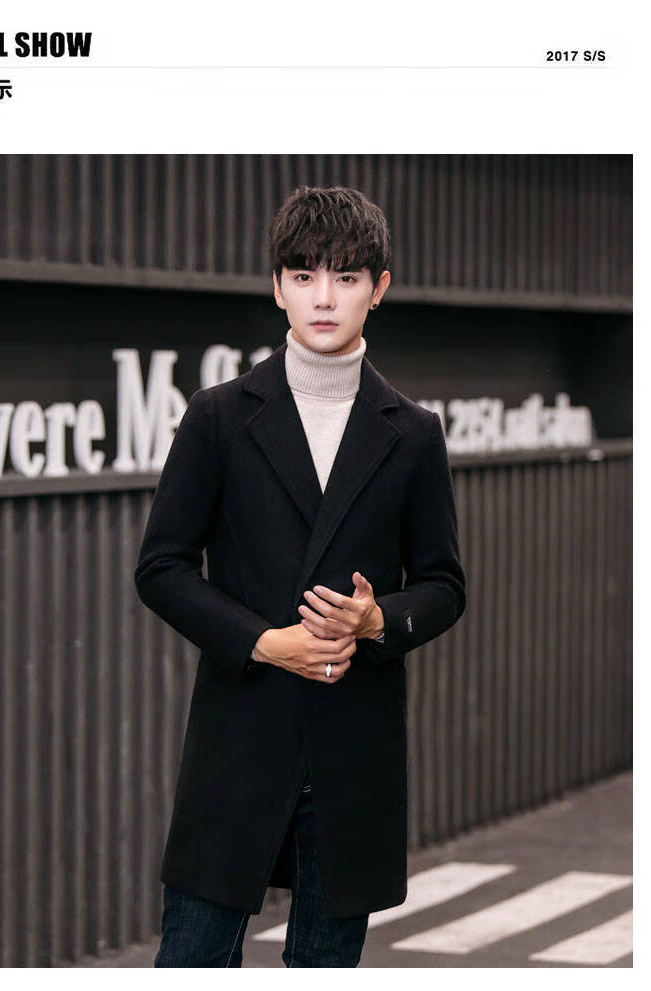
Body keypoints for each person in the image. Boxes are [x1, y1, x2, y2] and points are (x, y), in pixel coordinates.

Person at [134, 185, 466, 967]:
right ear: (277, 285)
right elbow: (161, 567)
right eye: (305, 274)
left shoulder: (414, 432)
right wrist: (264, 641)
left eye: (346, 277)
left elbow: (445, 584)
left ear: (379, 288)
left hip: (353, 745)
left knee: (325, 963)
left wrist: (377, 620)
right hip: (240, 733)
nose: (324, 296)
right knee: (192, 958)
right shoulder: (218, 415)